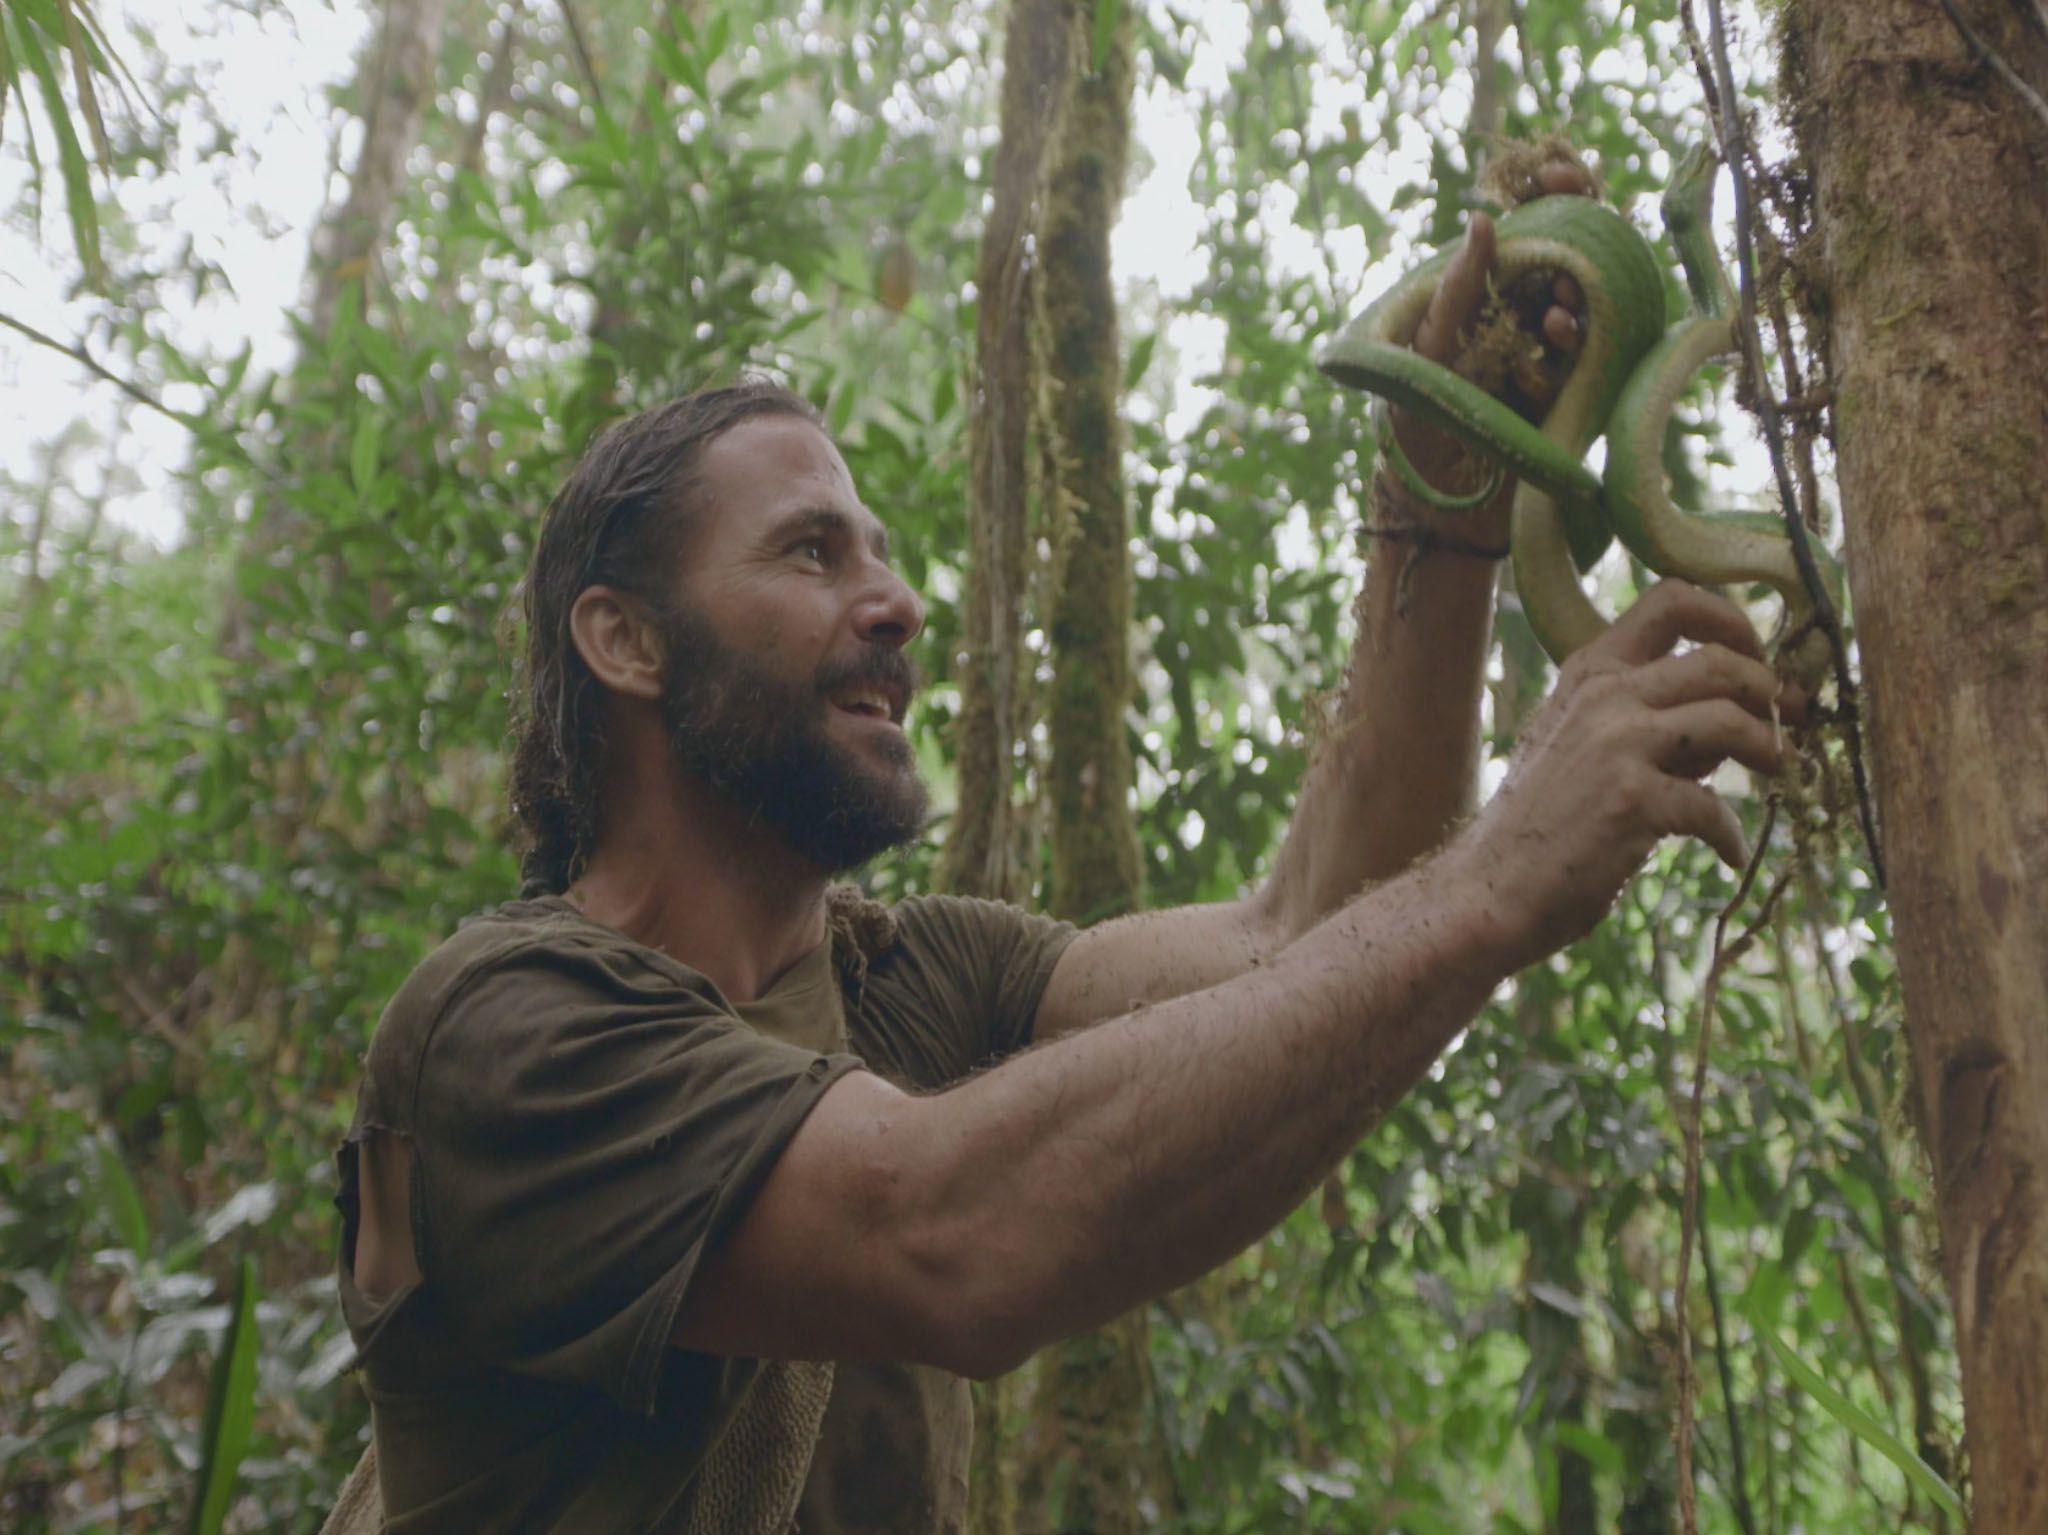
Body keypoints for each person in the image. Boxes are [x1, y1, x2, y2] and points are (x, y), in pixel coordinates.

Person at [330, 167, 1800, 1534]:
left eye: (883, 551)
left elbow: (1315, 927)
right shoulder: (507, 1037)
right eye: (809, 551)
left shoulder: (901, 981)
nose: (898, 599)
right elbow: (946, 1234)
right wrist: (1496, 876)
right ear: (627, 639)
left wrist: (1446, 495)